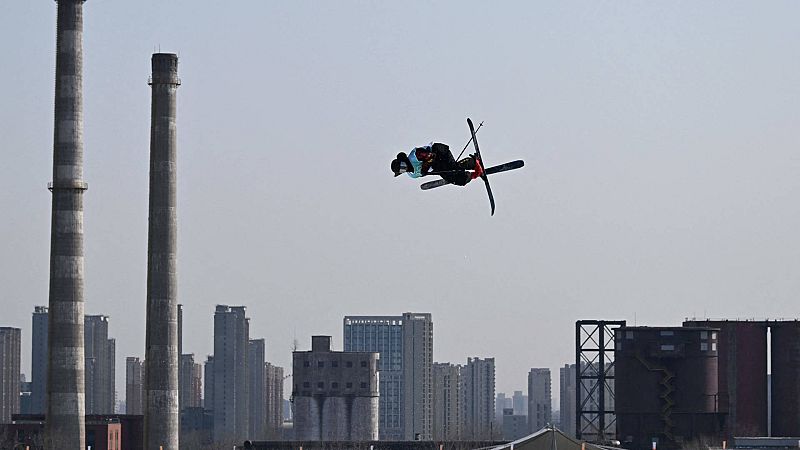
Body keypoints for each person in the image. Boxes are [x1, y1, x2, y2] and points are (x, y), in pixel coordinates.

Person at [391, 142, 483, 186]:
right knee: (456, 180)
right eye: (402, 169)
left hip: (439, 152)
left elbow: (432, 155)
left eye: (403, 166)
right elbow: (424, 171)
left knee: (453, 168)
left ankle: (474, 161)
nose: (405, 168)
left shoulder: (415, 156)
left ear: (403, 161)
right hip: (435, 165)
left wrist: (426, 165)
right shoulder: (412, 175)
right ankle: (473, 175)